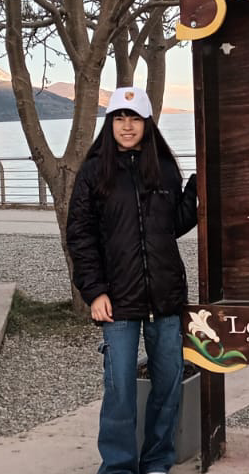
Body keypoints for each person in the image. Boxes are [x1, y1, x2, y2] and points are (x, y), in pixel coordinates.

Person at [66, 86, 199, 474]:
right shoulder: (94, 172)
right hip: (117, 300)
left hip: (165, 296)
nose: (127, 126)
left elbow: (171, 226)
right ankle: (119, 466)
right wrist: (94, 291)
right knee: (120, 389)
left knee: (168, 384)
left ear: (147, 123)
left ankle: (157, 461)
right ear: (110, 124)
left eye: (135, 118)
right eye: (119, 119)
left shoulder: (164, 167)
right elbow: (80, 235)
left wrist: (195, 191)